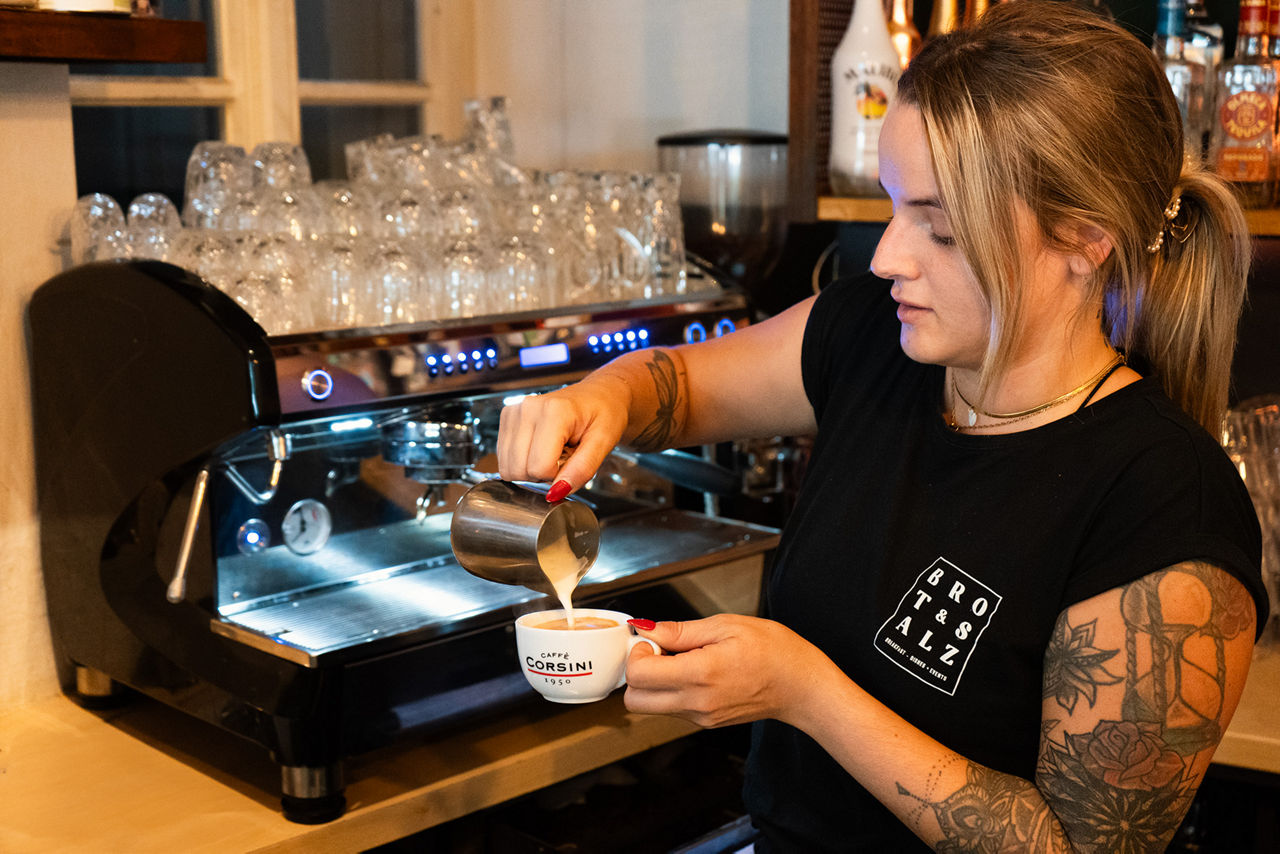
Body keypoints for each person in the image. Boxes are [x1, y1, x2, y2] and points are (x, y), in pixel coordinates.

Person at [497, 3, 1272, 851]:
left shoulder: (1164, 504)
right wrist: (600, 397)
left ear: (1085, 240)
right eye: (892, 206)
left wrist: (803, 692)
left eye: (939, 228)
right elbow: (676, 387)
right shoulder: (876, 333)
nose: (887, 257)